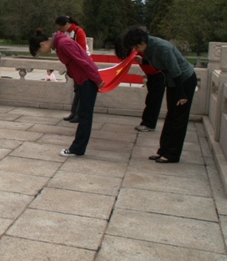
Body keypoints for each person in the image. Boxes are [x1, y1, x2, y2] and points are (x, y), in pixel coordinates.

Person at [122, 26, 197, 163]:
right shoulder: (149, 46)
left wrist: (181, 94)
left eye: (136, 47)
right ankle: (163, 150)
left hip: (183, 81)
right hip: (171, 80)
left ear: (142, 42)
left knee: (179, 118)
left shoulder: (163, 47)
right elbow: (158, 63)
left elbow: (176, 71)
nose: (136, 49)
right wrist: (143, 61)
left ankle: (173, 154)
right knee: (170, 116)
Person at [30, 29, 104, 157]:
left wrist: (97, 79)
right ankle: (79, 148)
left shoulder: (63, 43)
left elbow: (83, 61)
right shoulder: (60, 44)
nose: (42, 53)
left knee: (85, 116)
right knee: (84, 115)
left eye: (40, 51)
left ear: (43, 44)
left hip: (87, 80)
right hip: (83, 79)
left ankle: (77, 149)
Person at [115, 33, 165, 132]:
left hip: (159, 75)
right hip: (151, 75)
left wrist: (145, 64)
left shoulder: (141, 49)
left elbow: (155, 62)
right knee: (150, 100)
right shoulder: (136, 51)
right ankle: (146, 122)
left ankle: (149, 124)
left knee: (154, 101)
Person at [55, 16, 89, 123]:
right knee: (77, 90)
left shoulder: (79, 32)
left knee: (81, 90)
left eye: (61, 27)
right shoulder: (66, 33)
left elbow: (82, 51)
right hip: (73, 64)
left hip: (81, 64)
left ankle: (78, 114)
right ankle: (74, 113)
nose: (60, 29)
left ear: (66, 24)